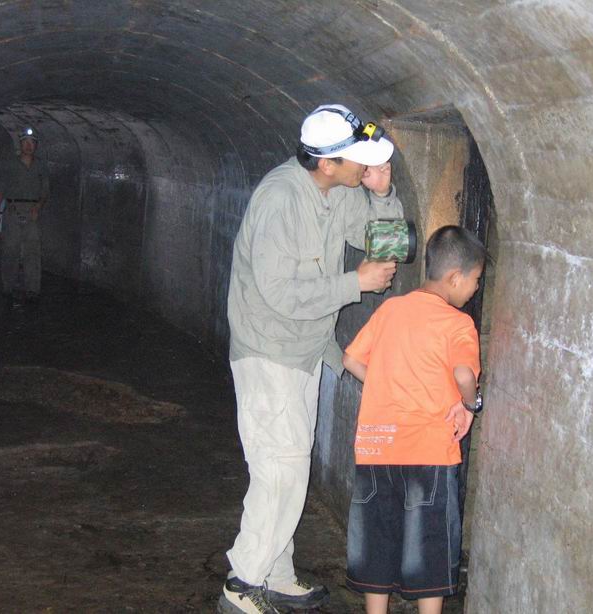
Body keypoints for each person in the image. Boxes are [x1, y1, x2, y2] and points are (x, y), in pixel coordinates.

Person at [221, 104, 403, 614]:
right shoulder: (280, 199)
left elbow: (386, 244)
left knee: (289, 466)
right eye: (359, 160)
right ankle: (241, 583)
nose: (365, 167)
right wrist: (354, 283)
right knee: (279, 471)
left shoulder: (338, 190)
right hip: (268, 351)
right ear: (327, 163)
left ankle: (275, 575)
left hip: (304, 349)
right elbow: (279, 293)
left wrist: (382, 194)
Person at [342, 225, 486, 614]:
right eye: (475, 280)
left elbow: (351, 358)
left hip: (377, 448)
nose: (474, 289)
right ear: (454, 277)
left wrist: (385, 385)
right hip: (428, 452)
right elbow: (464, 375)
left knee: (377, 540)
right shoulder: (458, 323)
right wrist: (469, 405)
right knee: (429, 547)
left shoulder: (391, 309)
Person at [0, 127, 48, 303]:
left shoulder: (40, 165)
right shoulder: (10, 164)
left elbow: (45, 190)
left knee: (33, 251)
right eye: (25, 142)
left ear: (36, 146)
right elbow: (0, 189)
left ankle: (32, 288)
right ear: (20, 144)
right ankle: (8, 286)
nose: (28, 146)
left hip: (32, 211)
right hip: (12, 209)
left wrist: (38, 207)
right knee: (10, 249)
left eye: (32, 143)